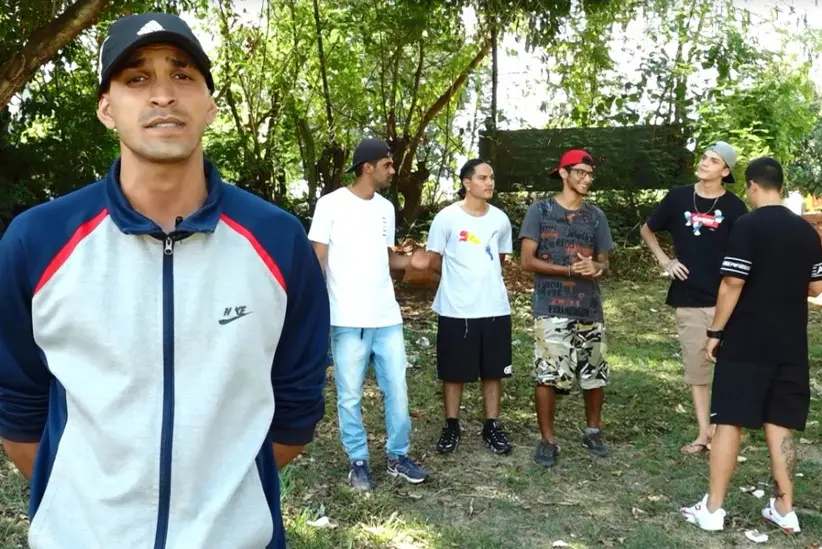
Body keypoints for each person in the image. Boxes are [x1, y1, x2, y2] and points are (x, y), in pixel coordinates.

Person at [0, 13, 329, 549]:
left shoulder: (277, 239)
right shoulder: (37, 240)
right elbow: (18, 411)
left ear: (210, 104)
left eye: (182, 76)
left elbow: (296, 407)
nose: (162, 95)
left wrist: (213, 507)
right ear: (106, 108)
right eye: (136, 78)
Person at [681, 157, 822, 533]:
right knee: (781, 423)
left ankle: (713, 510)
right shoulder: (806, 231)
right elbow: (815, 287)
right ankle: (785, 508)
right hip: (790, 342)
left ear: (752, 186)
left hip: (746, 339)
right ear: (781, 185)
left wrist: (715, 332)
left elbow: (732, 282)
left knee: (728, 420)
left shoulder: (747, 225)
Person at [308, 138, 431, 491]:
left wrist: (410, 261)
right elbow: (317, 259)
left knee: (398, 391)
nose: (393, 171)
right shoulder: (330, 204)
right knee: (350, 395)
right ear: (367, 167)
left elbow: (386, 257)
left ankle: (398, 457)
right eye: (387, 165)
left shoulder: (386, 208)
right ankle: (358, 461)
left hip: (387, 316)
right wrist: (315, 310)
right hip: (347, 317)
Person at [640, 141, 747, 455]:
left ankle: (724, 431)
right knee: (697, 371)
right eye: (704, 158)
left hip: (727, 300)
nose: (704, 163)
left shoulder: (735, 208)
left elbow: (747, 251)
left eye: (713, 161)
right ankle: (704, 434)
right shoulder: (678, 197)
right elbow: (647, 230)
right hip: (689, 298)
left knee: (727, 369)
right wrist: (666, 262)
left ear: (725, 171)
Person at [519, 149, 614, 467]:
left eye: (590, 174)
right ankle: (547, 440)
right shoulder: (540, 210)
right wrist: (569, 271)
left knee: (595, 372)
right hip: (551, 306)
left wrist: (597, 267)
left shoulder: (596, 216)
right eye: (581, 173)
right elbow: (527, 260)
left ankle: (593, 431)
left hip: (589, 307)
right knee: (548, 374)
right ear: (563, 173)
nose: (587, 179)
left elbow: (605, 263)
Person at [425, 159, 514, 455]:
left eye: (492, 178)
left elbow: (500, 259)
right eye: (483, 178)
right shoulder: (446, 218)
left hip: (494, 307)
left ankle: (492, 425)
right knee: (454, 371)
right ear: (467, 182)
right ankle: (451, 425)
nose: (490, 183)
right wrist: (458, 279)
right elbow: (434, 260)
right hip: (456, 308)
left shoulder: (500, 219)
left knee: (493, 371)